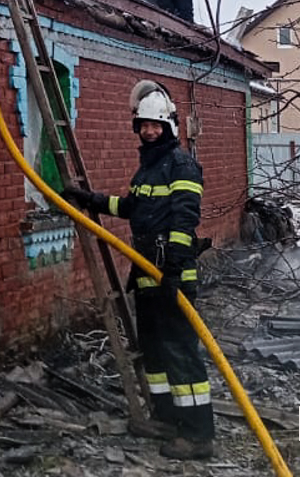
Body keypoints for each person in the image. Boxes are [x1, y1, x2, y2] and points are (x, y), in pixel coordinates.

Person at [62, 80, 214, 461]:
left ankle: (197, 434)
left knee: (180, 352)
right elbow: (131, 207)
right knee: (154, 350)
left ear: (168, 127)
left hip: (171, 274)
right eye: (144, 125)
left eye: (155, 126)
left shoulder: (180, 164)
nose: (149, 131)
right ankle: (167, 419)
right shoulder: (148, 169)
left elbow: (185, 219)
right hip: (147, 273)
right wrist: (92, 200)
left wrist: (175, 270)